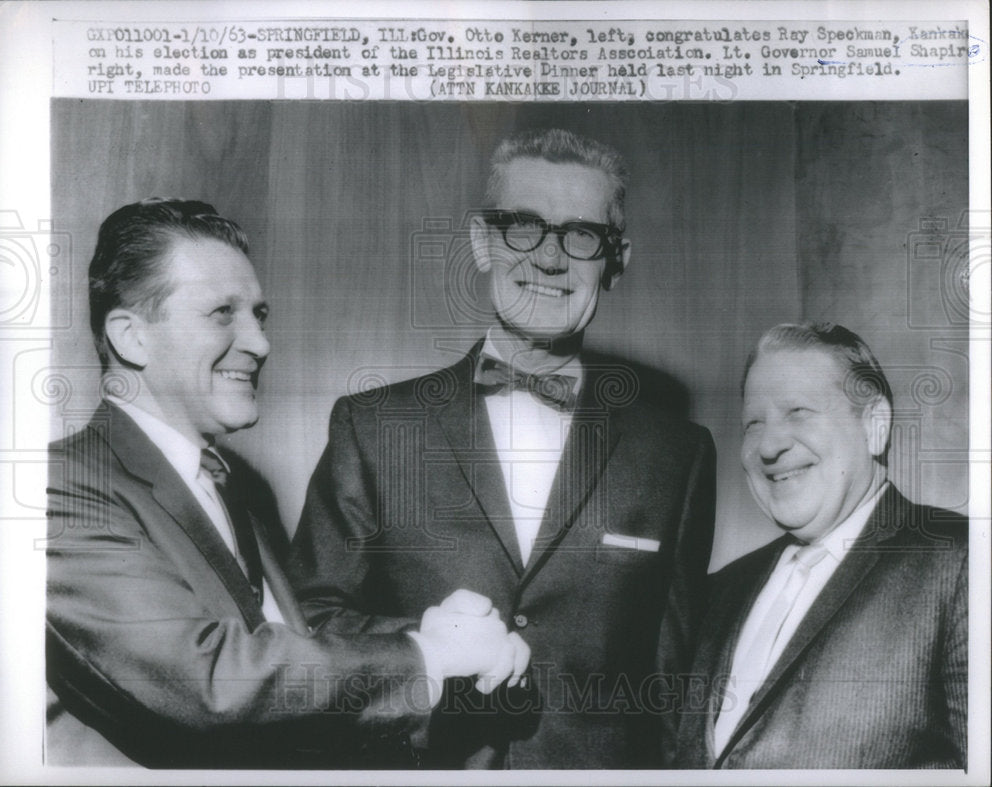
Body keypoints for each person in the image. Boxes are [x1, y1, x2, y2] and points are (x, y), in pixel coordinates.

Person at [46, 199, 528, 768]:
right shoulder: (60, 486)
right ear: (131, 337)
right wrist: (428, 654)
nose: (260, 343)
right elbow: (209, 679)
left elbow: (287, 643)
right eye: (222, 313)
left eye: (259, 315)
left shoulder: (226, 486)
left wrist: (440, 632)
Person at [287, 129, 717, 768]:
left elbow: (674, 685)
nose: (549, 260)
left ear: (616, 261)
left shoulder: (677, 455)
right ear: (482, 242)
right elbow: (310, 622)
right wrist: (432, 643)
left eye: (581, 235)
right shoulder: (374, 427)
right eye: (523, 228)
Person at [676, 322, 968, 769]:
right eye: (754, 423)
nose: (769, 445)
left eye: (798, 411)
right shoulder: (718, 593)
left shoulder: (960, 562)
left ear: (875, 424)